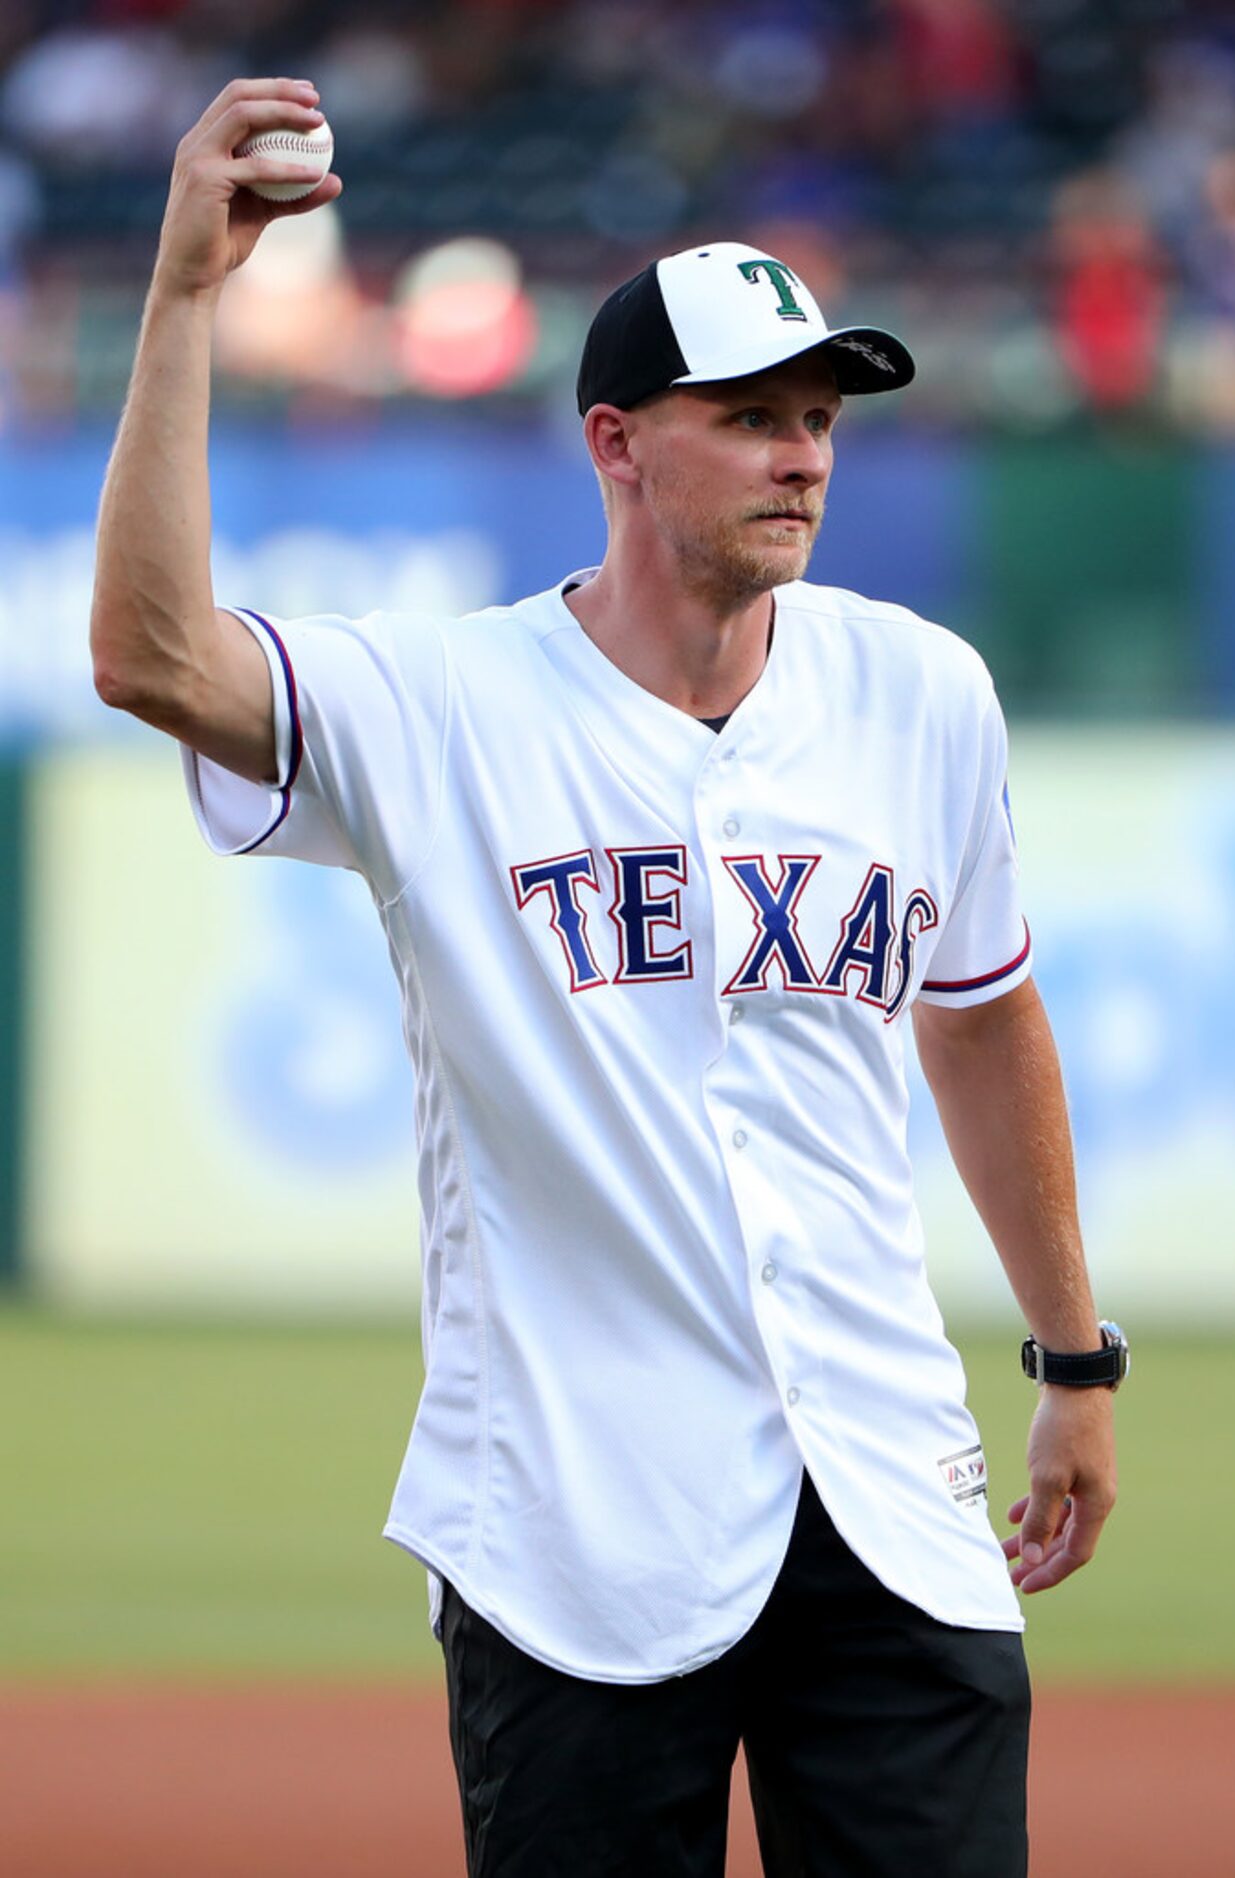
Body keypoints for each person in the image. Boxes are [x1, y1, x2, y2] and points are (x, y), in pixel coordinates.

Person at [92, 78, 1122, 1878]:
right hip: (573, 1531)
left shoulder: (920, 692)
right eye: (747, 417)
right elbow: (151, 652)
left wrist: (1072, 1356)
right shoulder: (446, 706)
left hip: (887, 1497)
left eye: (819, 416)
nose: (801, 453)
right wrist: (185, 298)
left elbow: (978, 1011)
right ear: (617, 443)